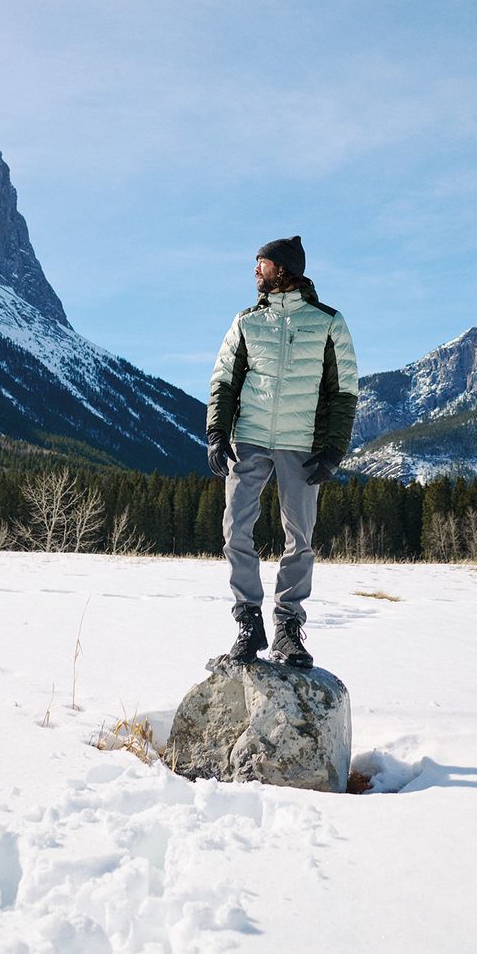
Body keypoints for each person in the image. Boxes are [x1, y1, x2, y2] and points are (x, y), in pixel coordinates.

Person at [206, 236, 358, 668]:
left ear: (285, 269)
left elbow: (343, 391)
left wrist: (333, 449)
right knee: (236, 530)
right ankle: (248, 622)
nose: (255, 270)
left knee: (300, 539)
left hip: (301, 445)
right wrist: (217, 434)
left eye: (262, 263)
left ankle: (288, 628)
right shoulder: (246, 322)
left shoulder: (329, 323)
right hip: (249, 439)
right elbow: (223, 382)